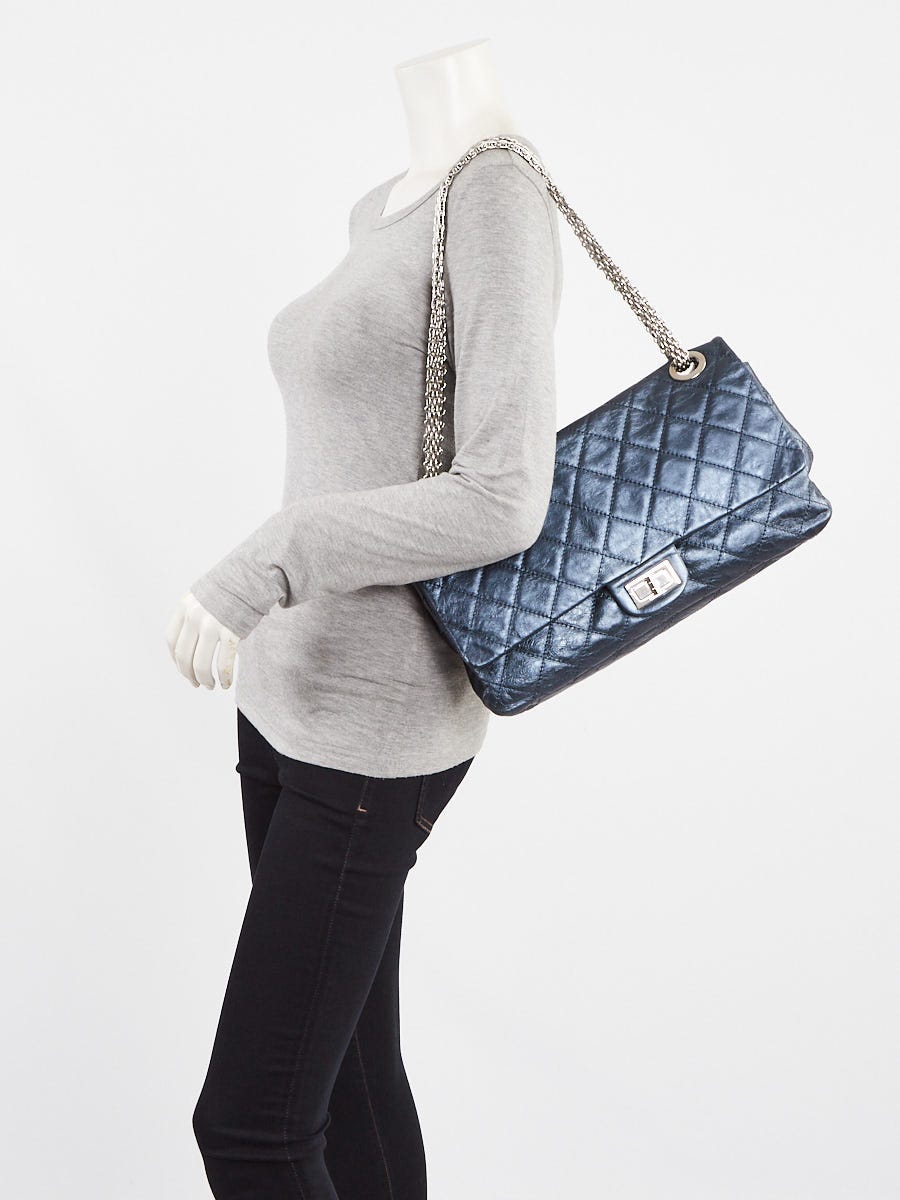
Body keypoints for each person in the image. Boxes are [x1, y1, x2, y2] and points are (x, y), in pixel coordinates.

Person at [166, 38, 563, 1199]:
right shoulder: (389, 205)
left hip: (374, 729)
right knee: (346, 1084)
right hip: (285, 698)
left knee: (250, 1128)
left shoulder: (497, 194)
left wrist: (272, 557)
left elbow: (504, 497)